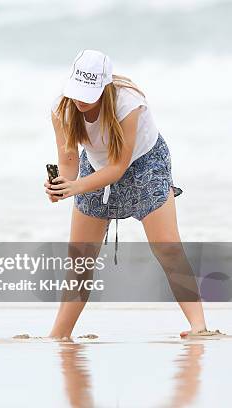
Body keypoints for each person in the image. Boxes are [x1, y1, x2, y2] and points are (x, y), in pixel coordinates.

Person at [45, 50, 217, 339]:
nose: (80, 99)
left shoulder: (128, 104)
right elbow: (70, 160)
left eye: (88, 93)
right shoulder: (61, 107)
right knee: (81, 258)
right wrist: (62, 184)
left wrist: (77, 186)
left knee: (168, 247)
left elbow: (118, 166)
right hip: (96, 165)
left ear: (105, 87)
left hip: (145, 163)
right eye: (76, 91)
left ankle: (199, 327)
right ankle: (58, 335)